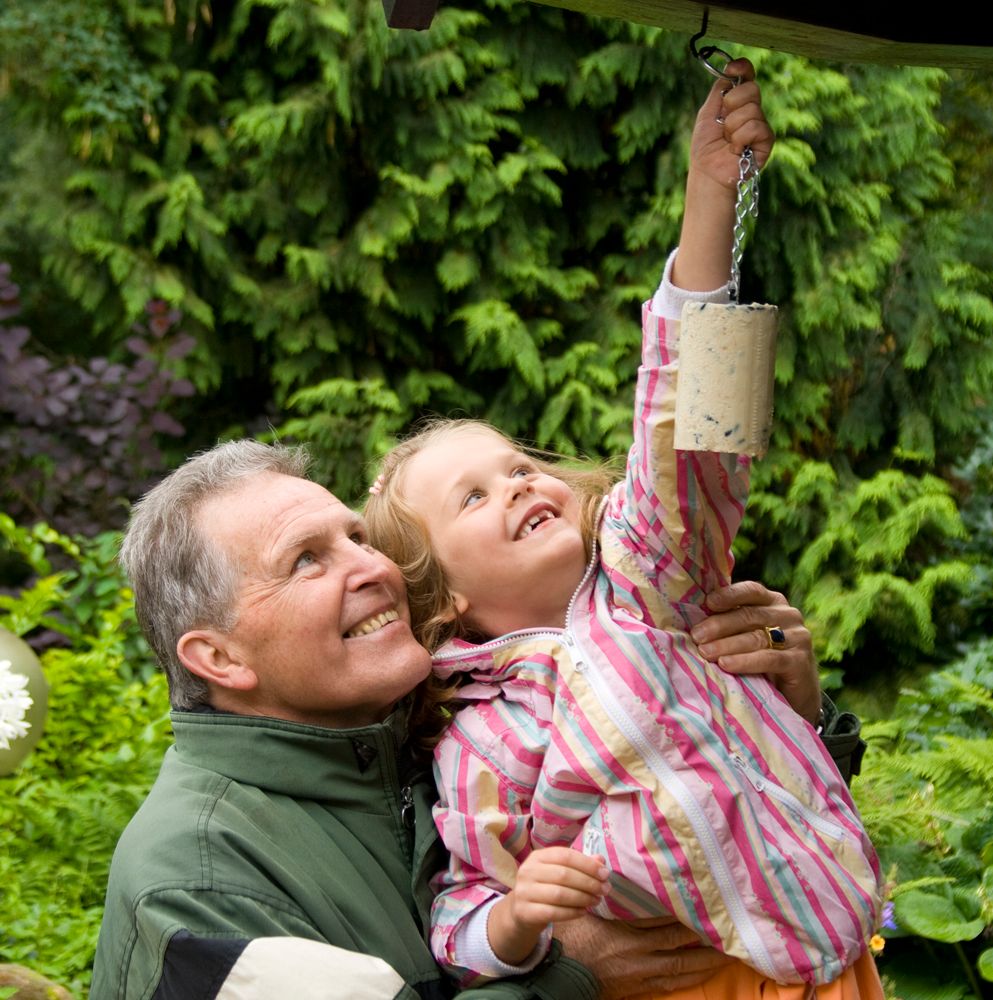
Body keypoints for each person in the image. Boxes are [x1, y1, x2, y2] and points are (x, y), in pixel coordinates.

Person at [363, 60, 883, 997]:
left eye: (518, 465)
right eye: (472, 499)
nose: (519, 484)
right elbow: (462, 913)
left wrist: (710, 198)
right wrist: (522, 922)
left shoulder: (650, 582)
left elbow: (695, 436)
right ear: (447, 606)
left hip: (824, 960)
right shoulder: (477, 738)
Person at [89, 439, 852, 1000]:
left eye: (355, 536)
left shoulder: (445, 728)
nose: (374, 567)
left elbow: (683, 809)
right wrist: (563, 974)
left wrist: (783, 711)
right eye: (306, 560)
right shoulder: (195, 886)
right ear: (219, 658)